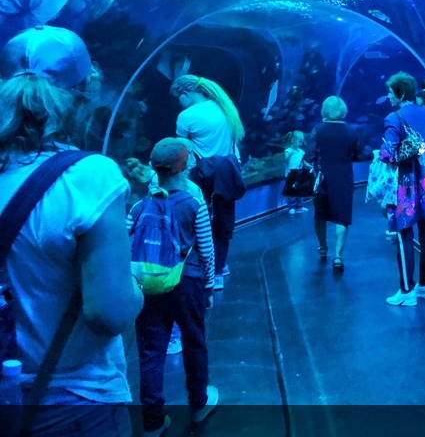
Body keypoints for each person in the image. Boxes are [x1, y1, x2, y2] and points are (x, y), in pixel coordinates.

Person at [0, 25, 141, 437]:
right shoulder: (88, 176)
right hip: (69, 404)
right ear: (83, 95)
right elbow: (108, 314)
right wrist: (133, 281)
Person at [129, 138, 218, 436]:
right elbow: (206, 249)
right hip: (187, 283)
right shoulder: (194, 204)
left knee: (151, 351)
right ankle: (198, 405)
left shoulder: (141, 206)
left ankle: (153, 421)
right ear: (187, 166)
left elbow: (128, 243)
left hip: (150, 285)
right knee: (194, 341)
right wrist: (208, 287)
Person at [379, 72, 425, 305]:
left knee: (404, 234)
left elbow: (388, 155)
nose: (389, 96)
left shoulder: (394, 118)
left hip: (406, 186)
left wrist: (381, 153)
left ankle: (407, 290)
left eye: (391, 92)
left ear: (400, 93)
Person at [170, 75, 245, 291]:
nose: (179, 103)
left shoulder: (186, 116)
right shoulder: (224, 107)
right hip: (228, 171)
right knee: (223, 221)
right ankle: (219, 269)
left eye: (179, 98)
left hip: (202, 175)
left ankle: (204, 268)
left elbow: (182, 151)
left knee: (200, 221)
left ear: (186, 93)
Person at [309, 97, 373, 271]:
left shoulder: (318, 130)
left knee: (320, 214)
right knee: (341, 216)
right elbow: (360, 155)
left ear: (324, 110)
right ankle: (338, 256)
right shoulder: (351, 131)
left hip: (323, 178)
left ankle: (322, 247)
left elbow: (310, 154)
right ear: (343, 111)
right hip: (343, 178)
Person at [282, 130, 309, 214]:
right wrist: (287, 157)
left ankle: (300, 206)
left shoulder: (301, 151)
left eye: (302, 142)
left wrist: (308, 165)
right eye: (299, 142)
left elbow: (303, 161)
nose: (301, 144)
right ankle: (292, 206)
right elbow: (285, 160)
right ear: (293, 140)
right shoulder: (288, 151)